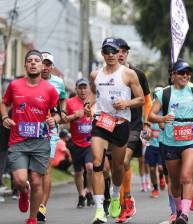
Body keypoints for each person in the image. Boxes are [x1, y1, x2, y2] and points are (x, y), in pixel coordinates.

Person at [148, 59, 193, 224]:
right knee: (174, 181)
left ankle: (184, 215)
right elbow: (150, 115)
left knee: (186, 176)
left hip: (191, 139)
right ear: (173, 75)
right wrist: (163, 118)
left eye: (188, 73)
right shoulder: (164, 93)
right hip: (170, 141)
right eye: (182, 72)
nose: (186, 75)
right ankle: (180, 209)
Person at [89, 37, 144, 224]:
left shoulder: (129, 74)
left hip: (120, 124)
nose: (111, 55)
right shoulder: (95, 74)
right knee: (97, 162)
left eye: (114, 51)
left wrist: (126, 103)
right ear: (103, 54)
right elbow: (91, 93)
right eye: (107, 51)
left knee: (118, 167)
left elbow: (141, 99)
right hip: (101, 122)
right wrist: (90, 106)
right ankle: (98, 210)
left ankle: (114, 195)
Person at [0, 50, 59, 224]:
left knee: (35, 180)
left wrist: (52, 120)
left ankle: (32, 218)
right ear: (25, 65)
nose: (33, 63)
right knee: (19, 180)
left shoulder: (50, 89)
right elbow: (4, 103)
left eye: (36, 61)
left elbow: (58, 114)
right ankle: (23, 193)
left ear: (42, 66)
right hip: (18, 140)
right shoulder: (15, 85)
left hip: (40, 141)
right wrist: (5, 117)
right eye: (30, 60)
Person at [114, 38, 152, 223]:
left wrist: (148, 122)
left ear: (127, 53)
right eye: (116, 51)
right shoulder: (106, 75)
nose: (120, 54)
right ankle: (124, 199)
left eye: (123, 51)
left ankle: (125, 202)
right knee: (112, 167)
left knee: (124, 161)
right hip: (111, 125)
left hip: (133, 126)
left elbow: (147, 99)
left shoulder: (138, 74)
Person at [37, 51, 67, 222]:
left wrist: (61, 112)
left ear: (52, 67)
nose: (45, 67)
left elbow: (62, 99)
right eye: (43, 63)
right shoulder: (28, 81)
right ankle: (25, 192)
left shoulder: (58, 83)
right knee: (31, 172)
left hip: (50, 130)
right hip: (30, 130)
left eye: (48, 64)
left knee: (46, 170)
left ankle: (42, 207)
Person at [63, 78, 95, 208]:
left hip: (90, 142)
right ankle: (81, 194)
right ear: (76, 89)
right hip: (76, 143)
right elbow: (64, 120)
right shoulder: (70, 102)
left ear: (89, 89)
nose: (82, 90)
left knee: (90, 167)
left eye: (85, 87)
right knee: (78, 172)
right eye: (80, 88)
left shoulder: (94, 102)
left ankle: (90, 191)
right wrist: (75, 116)